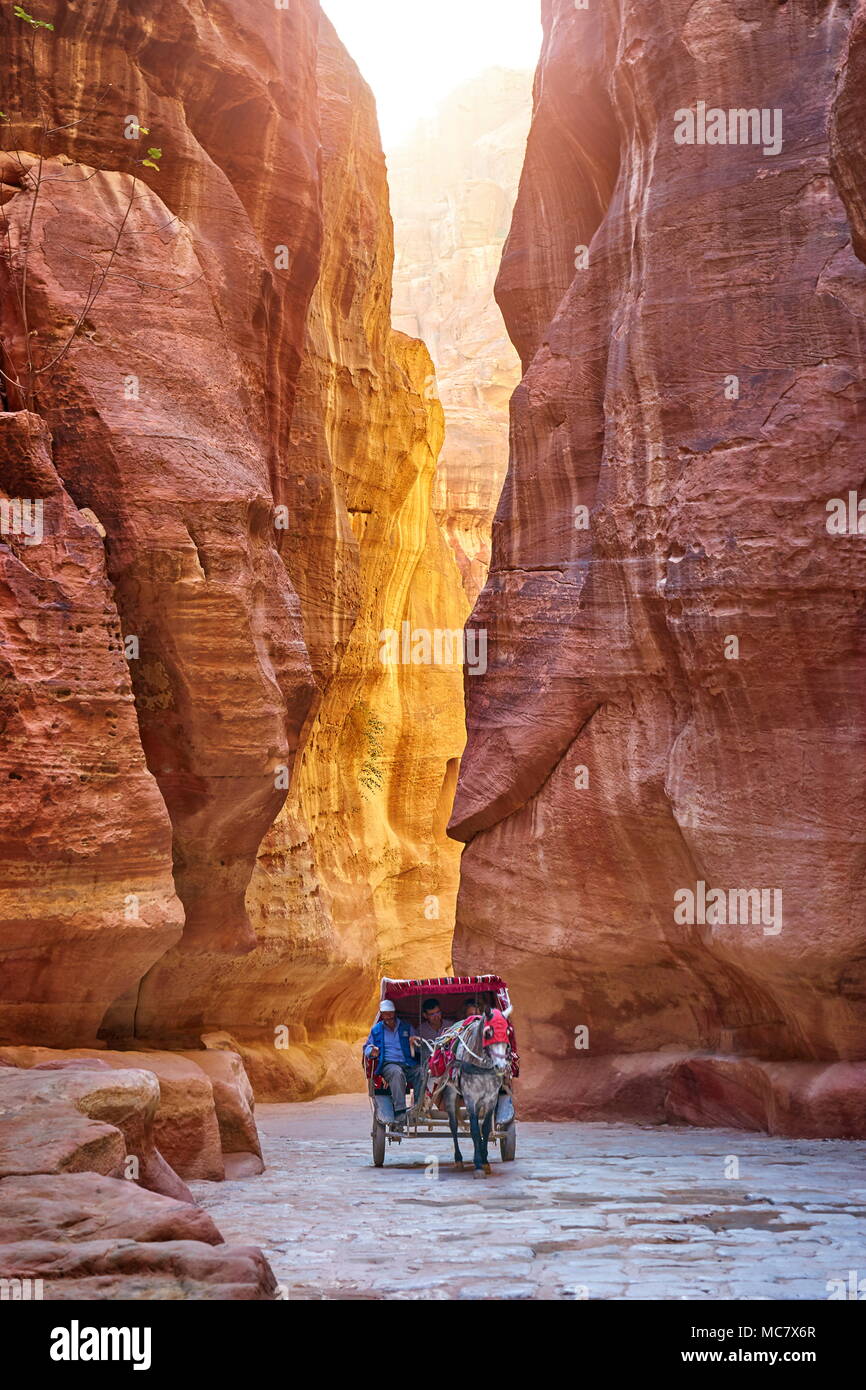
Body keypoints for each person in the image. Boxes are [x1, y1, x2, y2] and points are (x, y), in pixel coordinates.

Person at [363, 1000, 421, 1130]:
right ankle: (400, 1113)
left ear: (394, 1013)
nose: (388, 1017)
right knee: (396, 1072)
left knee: (421, 1072)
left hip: (408, 1063)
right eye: (385, 1015)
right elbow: (366, 1047)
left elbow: (418, 1048)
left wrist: (414, 1042)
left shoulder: (406, 1027)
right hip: (389, 1064)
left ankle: (418, 1107)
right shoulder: (377, 1030)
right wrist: (372, 1051)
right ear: (382, 1015)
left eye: (390, 1014)